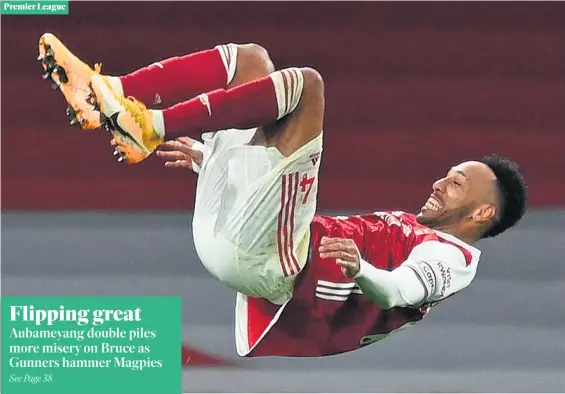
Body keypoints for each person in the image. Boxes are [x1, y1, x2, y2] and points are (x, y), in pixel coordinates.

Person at [38, 34, 528, 357]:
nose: (441, 183)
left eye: (457, 182)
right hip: (235, 236)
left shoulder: (455, 258)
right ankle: (106, 90)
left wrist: (362, 271)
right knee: (252, 60)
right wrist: (209, 162)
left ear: (484, 212)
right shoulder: (412, 225)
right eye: (448, 175)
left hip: (272, 266)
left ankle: (149, 126)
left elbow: (401, 291)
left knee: (307, 87)